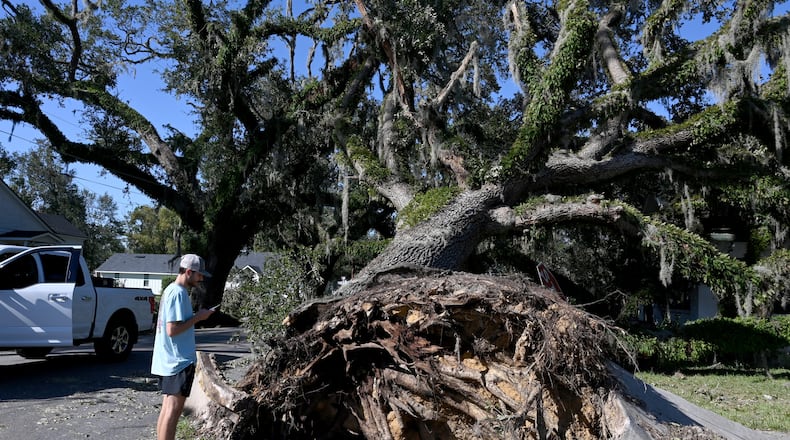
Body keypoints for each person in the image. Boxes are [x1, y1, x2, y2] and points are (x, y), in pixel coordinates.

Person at [151, 254, 215, 440]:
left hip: (168, 358)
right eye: (199, 275)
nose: (201, 279)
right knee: (173, 409)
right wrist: (199, 317)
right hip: (178, 360)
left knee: (167, 408)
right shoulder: (179, 293)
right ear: (188, 272)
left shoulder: (170, 290)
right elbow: (172, 329)